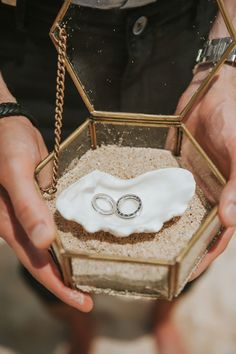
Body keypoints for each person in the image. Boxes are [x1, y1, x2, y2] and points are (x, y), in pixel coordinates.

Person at [0, 0, 236, 353]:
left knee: (193, 248)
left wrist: (225, 64)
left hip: (184, 24)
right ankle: (78, 320)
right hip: (38, 34)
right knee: (39, 236)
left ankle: (164, 310)